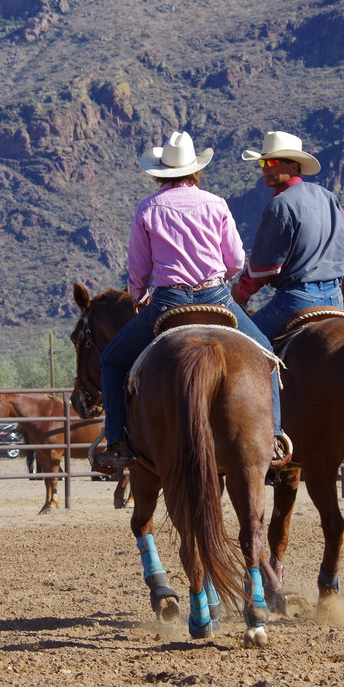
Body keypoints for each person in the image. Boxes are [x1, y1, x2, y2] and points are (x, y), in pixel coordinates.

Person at [95, 130, 282, 471]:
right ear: (196, 169)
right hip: (216, 297)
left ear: (160, 172)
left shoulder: (147, 208)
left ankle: (117, 441)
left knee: (111, 361)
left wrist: (138, 296)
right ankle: (277, 437)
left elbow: (139, 267)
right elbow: (236, 260)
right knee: (267, 354)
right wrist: (220, 277)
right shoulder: (216, 203)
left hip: (169, 303)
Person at [231, 130, 344, 340]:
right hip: (334, 298)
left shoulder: (280, 205)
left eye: (273, 162)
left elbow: (264, 267)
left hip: (296, 299)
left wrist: (240, 294)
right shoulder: (328, 197)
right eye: (262, 164)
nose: (265, 169)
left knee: (240, 343)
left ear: (294, 166)